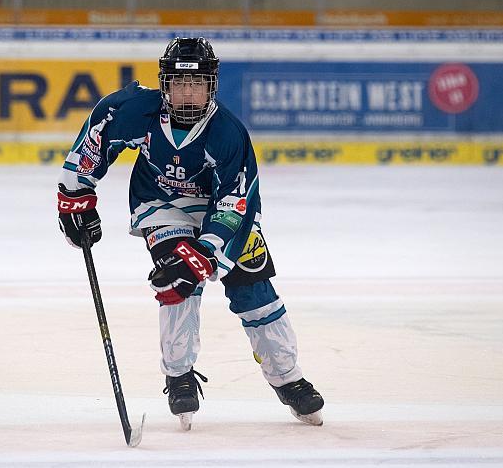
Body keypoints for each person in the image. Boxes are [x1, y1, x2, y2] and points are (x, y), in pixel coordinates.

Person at [57, 37, 324, 428]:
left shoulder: (228, 133)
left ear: (211, 85)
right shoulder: (135, 111)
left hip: (224, 216)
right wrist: (76, 194)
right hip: (162, 207)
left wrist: (209, 251)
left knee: (254, 291)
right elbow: (99, 137)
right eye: (179, 84)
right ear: (164, 84)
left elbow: (235, 203)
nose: (188, 93)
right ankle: (179, 374)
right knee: (177, 280)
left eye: (197, 84)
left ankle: (288, 377)